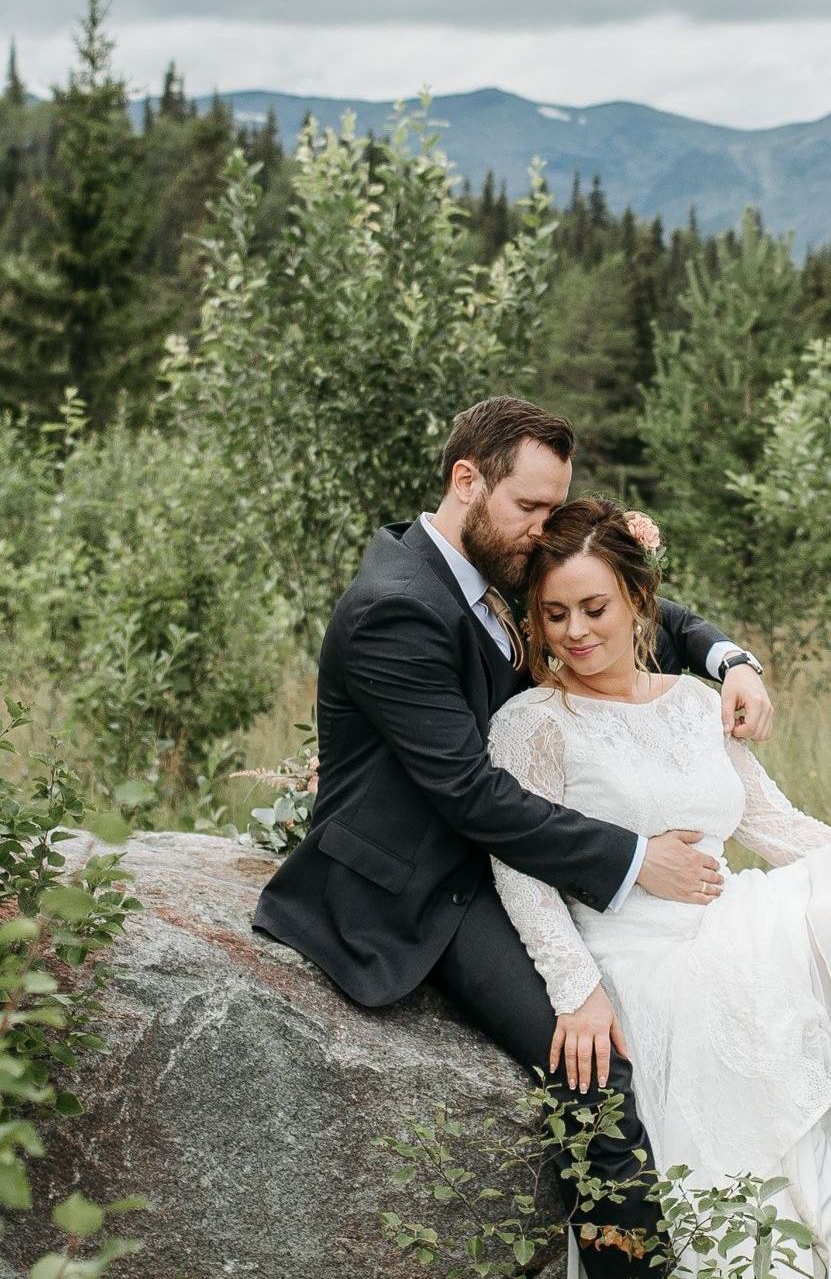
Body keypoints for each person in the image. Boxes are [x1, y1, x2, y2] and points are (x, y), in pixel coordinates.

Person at [253, 397, 773, 1277]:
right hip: (427, 885)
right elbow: (471, 796)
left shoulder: (480, 569)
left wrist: (726, 656)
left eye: (550, 508)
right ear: (467, 480)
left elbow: (623, 600)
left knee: (754, 969)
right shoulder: (397, 605)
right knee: (597, 1065)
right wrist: (635, 861)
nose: (542, 528)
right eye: (529, 508)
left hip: (510, 866)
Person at [485, 498, 831, 1277]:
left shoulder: (693, 700)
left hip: (726, 914)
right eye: (555, 614)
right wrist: (573, 988)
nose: (575, 632)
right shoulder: (535, 720)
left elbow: (773, 825)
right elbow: (517, 860)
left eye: (594, 607)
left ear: (640, 601)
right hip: (648, 954)